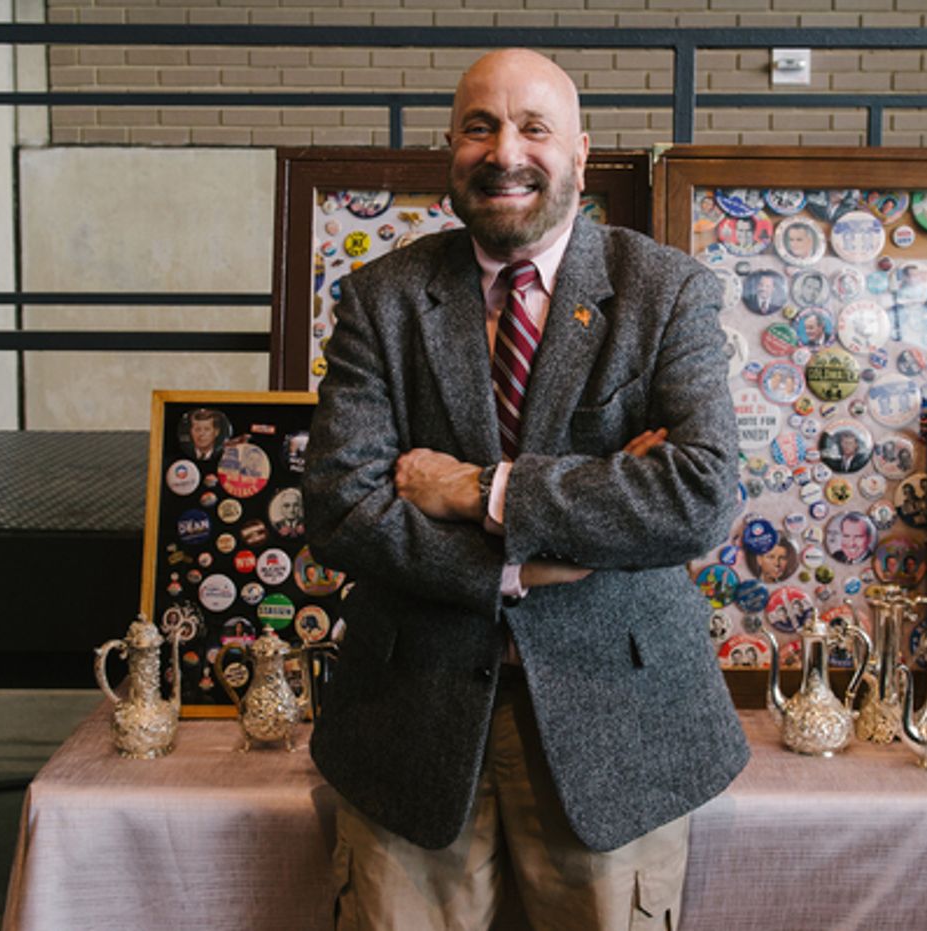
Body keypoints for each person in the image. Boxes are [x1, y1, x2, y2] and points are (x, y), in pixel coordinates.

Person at [304, 49, 748, 931]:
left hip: (620, 724)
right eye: (481, 126)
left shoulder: (665, 293)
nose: (506, 151)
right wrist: (520, 569)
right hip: (409, 720)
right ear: (451, 148)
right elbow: (344, 506)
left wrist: (483, 490)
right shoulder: (379, 299)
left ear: (581, 152)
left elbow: (697, 494)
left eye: (534, 127)